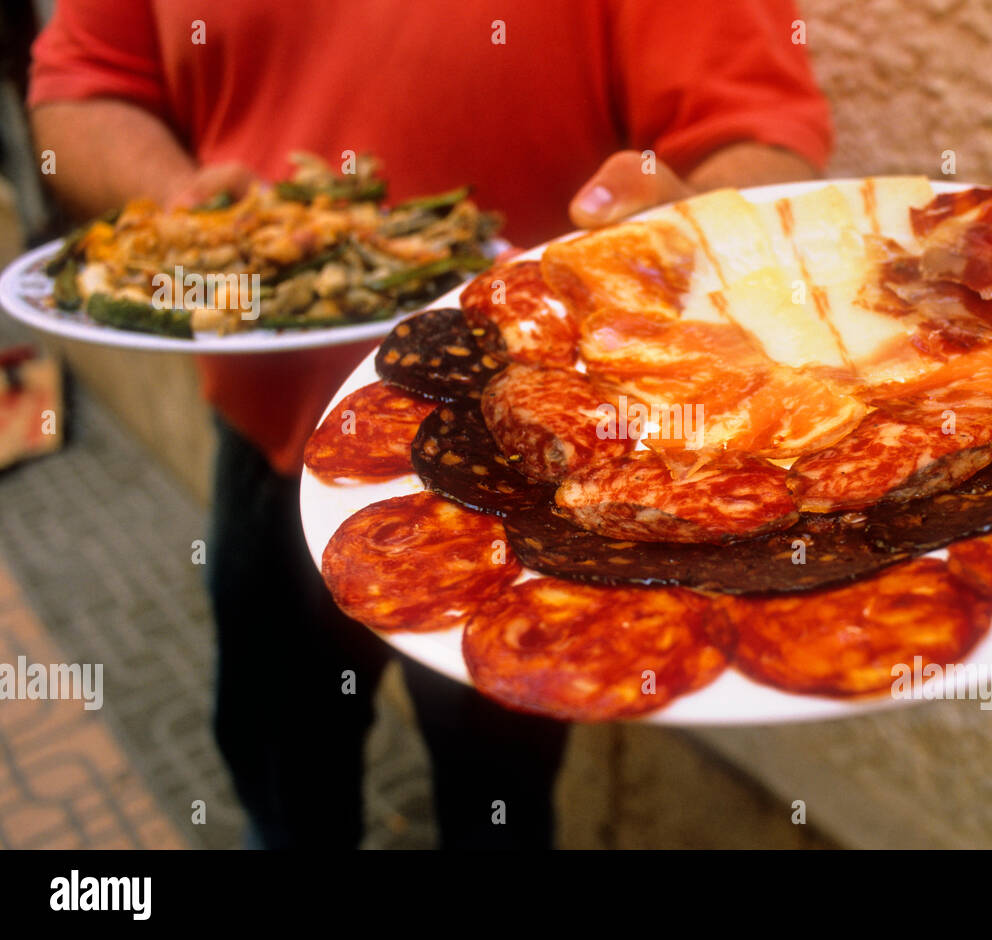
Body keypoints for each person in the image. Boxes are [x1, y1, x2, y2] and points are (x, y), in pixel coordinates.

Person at [27, 0, 832, 848]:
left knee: (499, 797)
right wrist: (185, 210)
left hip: (513, 490)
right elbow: (81, 88)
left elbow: (756, 131)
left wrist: (688, 233)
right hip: (268, 448)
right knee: (277, 759)